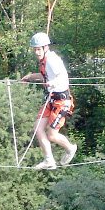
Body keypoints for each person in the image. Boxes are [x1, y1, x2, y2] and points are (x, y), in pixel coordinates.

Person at [20, 32, 78, 170]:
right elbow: (43, 75)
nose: (36, 52)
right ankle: (49, 160)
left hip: (61, 102)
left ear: (46, 47)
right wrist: (29, 77)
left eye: (38, 49)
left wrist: (52, 83)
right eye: (34, 49)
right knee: (38, 128)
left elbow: (63, 77)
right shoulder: (44, 61)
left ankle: (70, 148)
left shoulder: (52, 60)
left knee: (51, 135)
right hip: (51, 100)